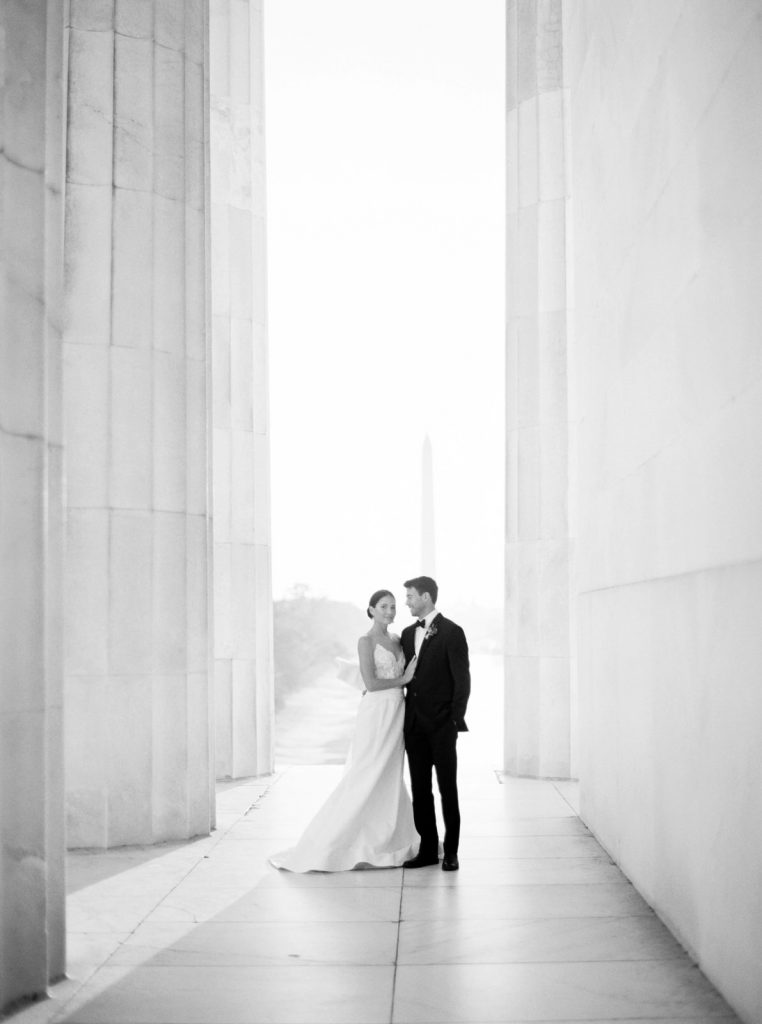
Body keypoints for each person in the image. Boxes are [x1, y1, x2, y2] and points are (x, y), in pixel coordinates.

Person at [269, 589, 418, 872]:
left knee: (389, 774)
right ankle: (334, 841)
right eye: (384, 606)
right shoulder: (366, 641)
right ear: (372, 610)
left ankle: (389, 837)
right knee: (365, 772)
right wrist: (405, 678)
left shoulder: (397, 640)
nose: (390, 611)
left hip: (398, 710)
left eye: (393, 607)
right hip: (377, 711)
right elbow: (371, 684)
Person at [400, 576, 470, 871]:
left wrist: (453, 719)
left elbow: (462, 680)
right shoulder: (405, 634)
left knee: (447, 789)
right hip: (414, 725)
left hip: (442, 726)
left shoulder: (453, 632)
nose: (407, 602)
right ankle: (428, 849)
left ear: (426, 597)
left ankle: (451, 852)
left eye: (411, 596)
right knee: (420, 790)